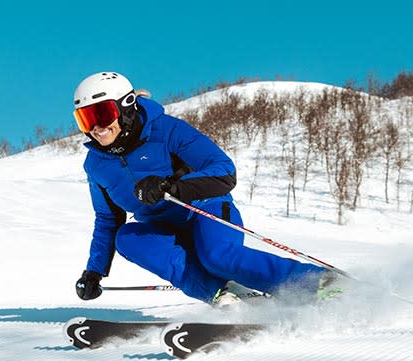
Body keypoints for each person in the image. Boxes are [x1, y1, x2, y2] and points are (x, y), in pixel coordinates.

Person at [71, 72, 330, 305]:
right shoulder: (96, 164)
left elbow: (224, 170)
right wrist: (94, 271)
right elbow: (108, 219)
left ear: (125, 107)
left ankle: (317, 283)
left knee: (217, 257)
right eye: (85, 119)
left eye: (101, 114)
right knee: (127, 238)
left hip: (206, 209)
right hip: (164, 229)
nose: (96, 127)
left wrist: (170, 186)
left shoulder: (167, 130)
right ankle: (224, 295)